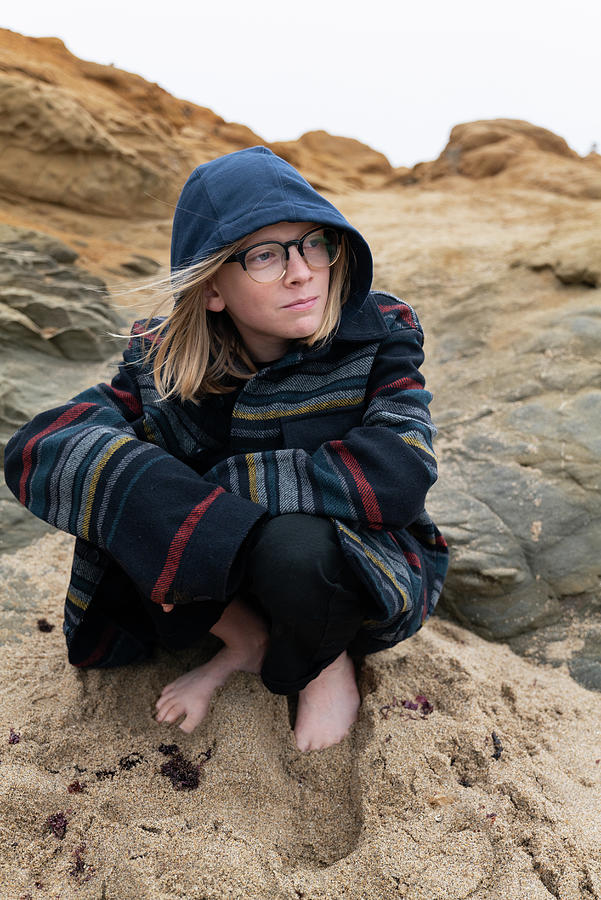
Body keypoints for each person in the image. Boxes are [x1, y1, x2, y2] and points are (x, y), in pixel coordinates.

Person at [4, 147, 448, 751]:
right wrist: (170, 495)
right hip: (220, 571)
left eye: (312, 243)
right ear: (213, 289)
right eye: (264, 255)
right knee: (127, 488)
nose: (301, 272)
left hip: (349, 564)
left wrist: (222, 486)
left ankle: (324, 662)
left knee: (295, 548)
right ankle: (244, 638)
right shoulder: (164, 365)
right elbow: (39, 447)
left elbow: (398, 472)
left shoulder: (378, 333)